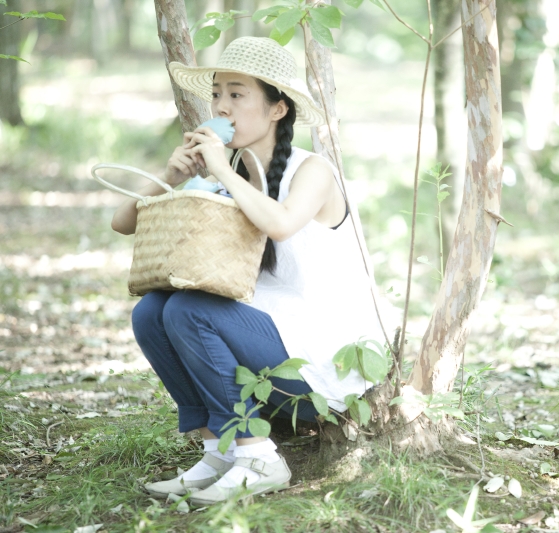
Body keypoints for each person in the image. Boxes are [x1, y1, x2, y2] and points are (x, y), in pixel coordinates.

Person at [110, 37, 384, 506]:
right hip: (268, 335)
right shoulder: (230, 171)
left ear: (278, 109)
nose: (222, 106)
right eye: (217, 94)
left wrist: (222, 171)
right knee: (152, 311)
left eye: (237, 95)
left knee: (189, 310)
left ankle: (258, 456)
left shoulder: (313, 170)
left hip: (322, 357)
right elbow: (122, 223)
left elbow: (281, 224)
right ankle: (219, 450)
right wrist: (172, 178)